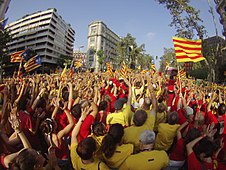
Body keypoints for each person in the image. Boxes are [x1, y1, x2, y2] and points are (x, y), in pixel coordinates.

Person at [70, 106, 109, 170]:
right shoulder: (100, 167)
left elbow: (74, 135)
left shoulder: (75, 160)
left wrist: (81, 119)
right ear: (93, 153)